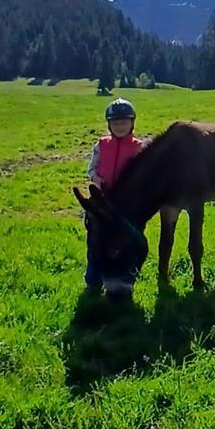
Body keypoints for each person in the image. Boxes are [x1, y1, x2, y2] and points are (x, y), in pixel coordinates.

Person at [83, 98, 143, 291]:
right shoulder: (101, 145)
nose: (120, 126)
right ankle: (93, 277)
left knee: (127, 242)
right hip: (102, 202)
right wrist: (96, 178)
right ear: (108, 124)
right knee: (96, 240)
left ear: (132, 123)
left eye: (124, 122)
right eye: (115, 123)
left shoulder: (139, 147)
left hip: (127, 204)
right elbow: (91, 170)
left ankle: (126, 278)